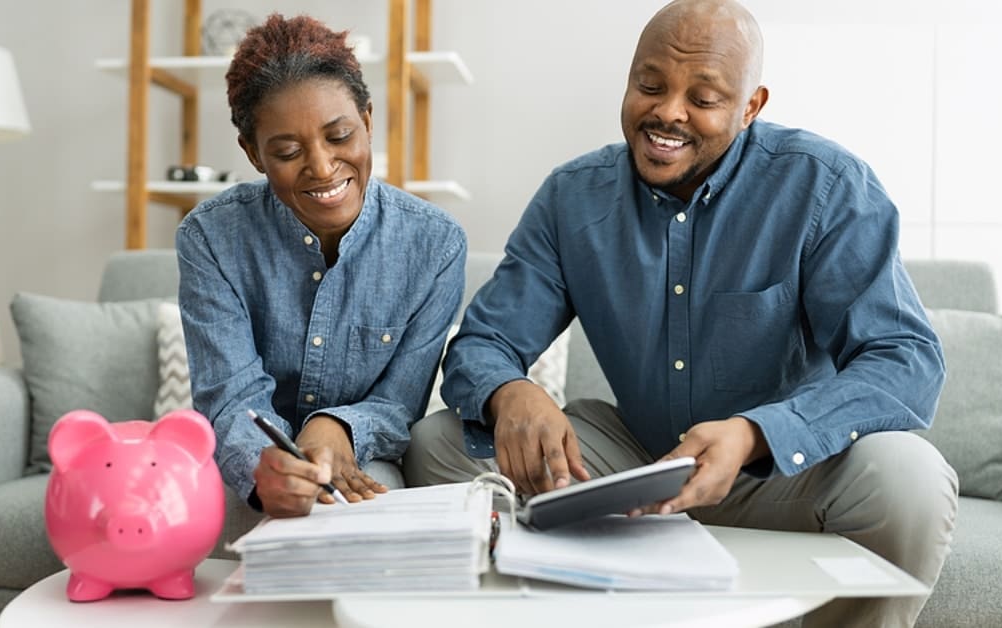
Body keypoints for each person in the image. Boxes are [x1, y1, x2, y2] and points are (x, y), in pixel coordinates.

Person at [402, 1, 957, 625]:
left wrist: (755, 433)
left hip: (777, 470)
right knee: (439, 444)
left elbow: (904, 359)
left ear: (751, 107)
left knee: (909, 480)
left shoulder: (825, 186)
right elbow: (484, 342)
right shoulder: (570, 198)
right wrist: (510, 391)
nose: (668, 111)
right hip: (636, 460)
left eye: (705, 96)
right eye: (650, 85)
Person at [177, 14, 466, 519]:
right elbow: (229, 398)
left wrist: (335, 427)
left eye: (339, 136)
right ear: (253, 153)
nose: (322, 166)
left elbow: (399, 404)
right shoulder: (210, 237)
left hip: (361, 457)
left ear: (368, 121)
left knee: (350, 515)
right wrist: (261, 464)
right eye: (288, 152)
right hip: (248, 459)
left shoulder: (435, 246)